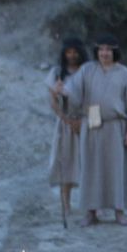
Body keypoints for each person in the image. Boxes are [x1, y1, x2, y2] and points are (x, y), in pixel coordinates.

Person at [60, 35, 127, 226]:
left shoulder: (124, 73)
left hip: (116, 126)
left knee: (117, 169)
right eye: (101, 49)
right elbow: (72, 92)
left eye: (108, 49)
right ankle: (91, 212)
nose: (104, 53)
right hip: (92, 123)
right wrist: (64, 92)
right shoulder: (87, 70)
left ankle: (119, 211)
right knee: (91, 168)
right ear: (97, 51)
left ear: (114, 51)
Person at [46, 37, 88, 228]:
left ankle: (90, 206)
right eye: (68, 52)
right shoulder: (57, 73)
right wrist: (68, 121)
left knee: (88, 163)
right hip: (65, 123)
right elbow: (53, 103)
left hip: (86, 121)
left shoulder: (87, 71)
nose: (72, 56)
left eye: (75, 52)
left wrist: (82, 121)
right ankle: (66, 204)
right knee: (65, 162)